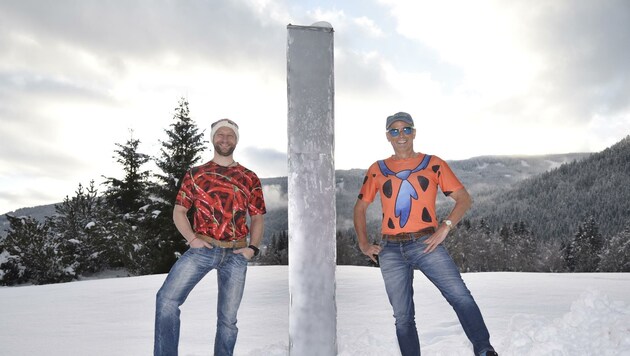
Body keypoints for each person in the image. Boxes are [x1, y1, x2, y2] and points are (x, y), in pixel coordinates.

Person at [353, 112, 497, 356]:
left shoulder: (434, 164)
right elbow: (360, 207)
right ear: (388, 136)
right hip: (390, 250)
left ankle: (484, 350)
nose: (401, 135)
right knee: (403, 317)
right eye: (395, 131)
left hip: (426, 243)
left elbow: (463, 199)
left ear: (414, 132)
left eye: (406, 129)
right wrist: (364, 244)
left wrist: (445, 226)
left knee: (460, 296)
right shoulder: (377, 169)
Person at [154, 118, 266, 356]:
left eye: (230, 135)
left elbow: (257, 217)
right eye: (220, 135)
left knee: (228, 321)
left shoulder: (249, 177)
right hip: (203, 249)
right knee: (166, 300)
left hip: (236, 254)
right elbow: (179, 211)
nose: (225, 139)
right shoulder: (196, 175)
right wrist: (192, 239)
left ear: (236, 140)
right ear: (213, 138)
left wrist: (252, 248)